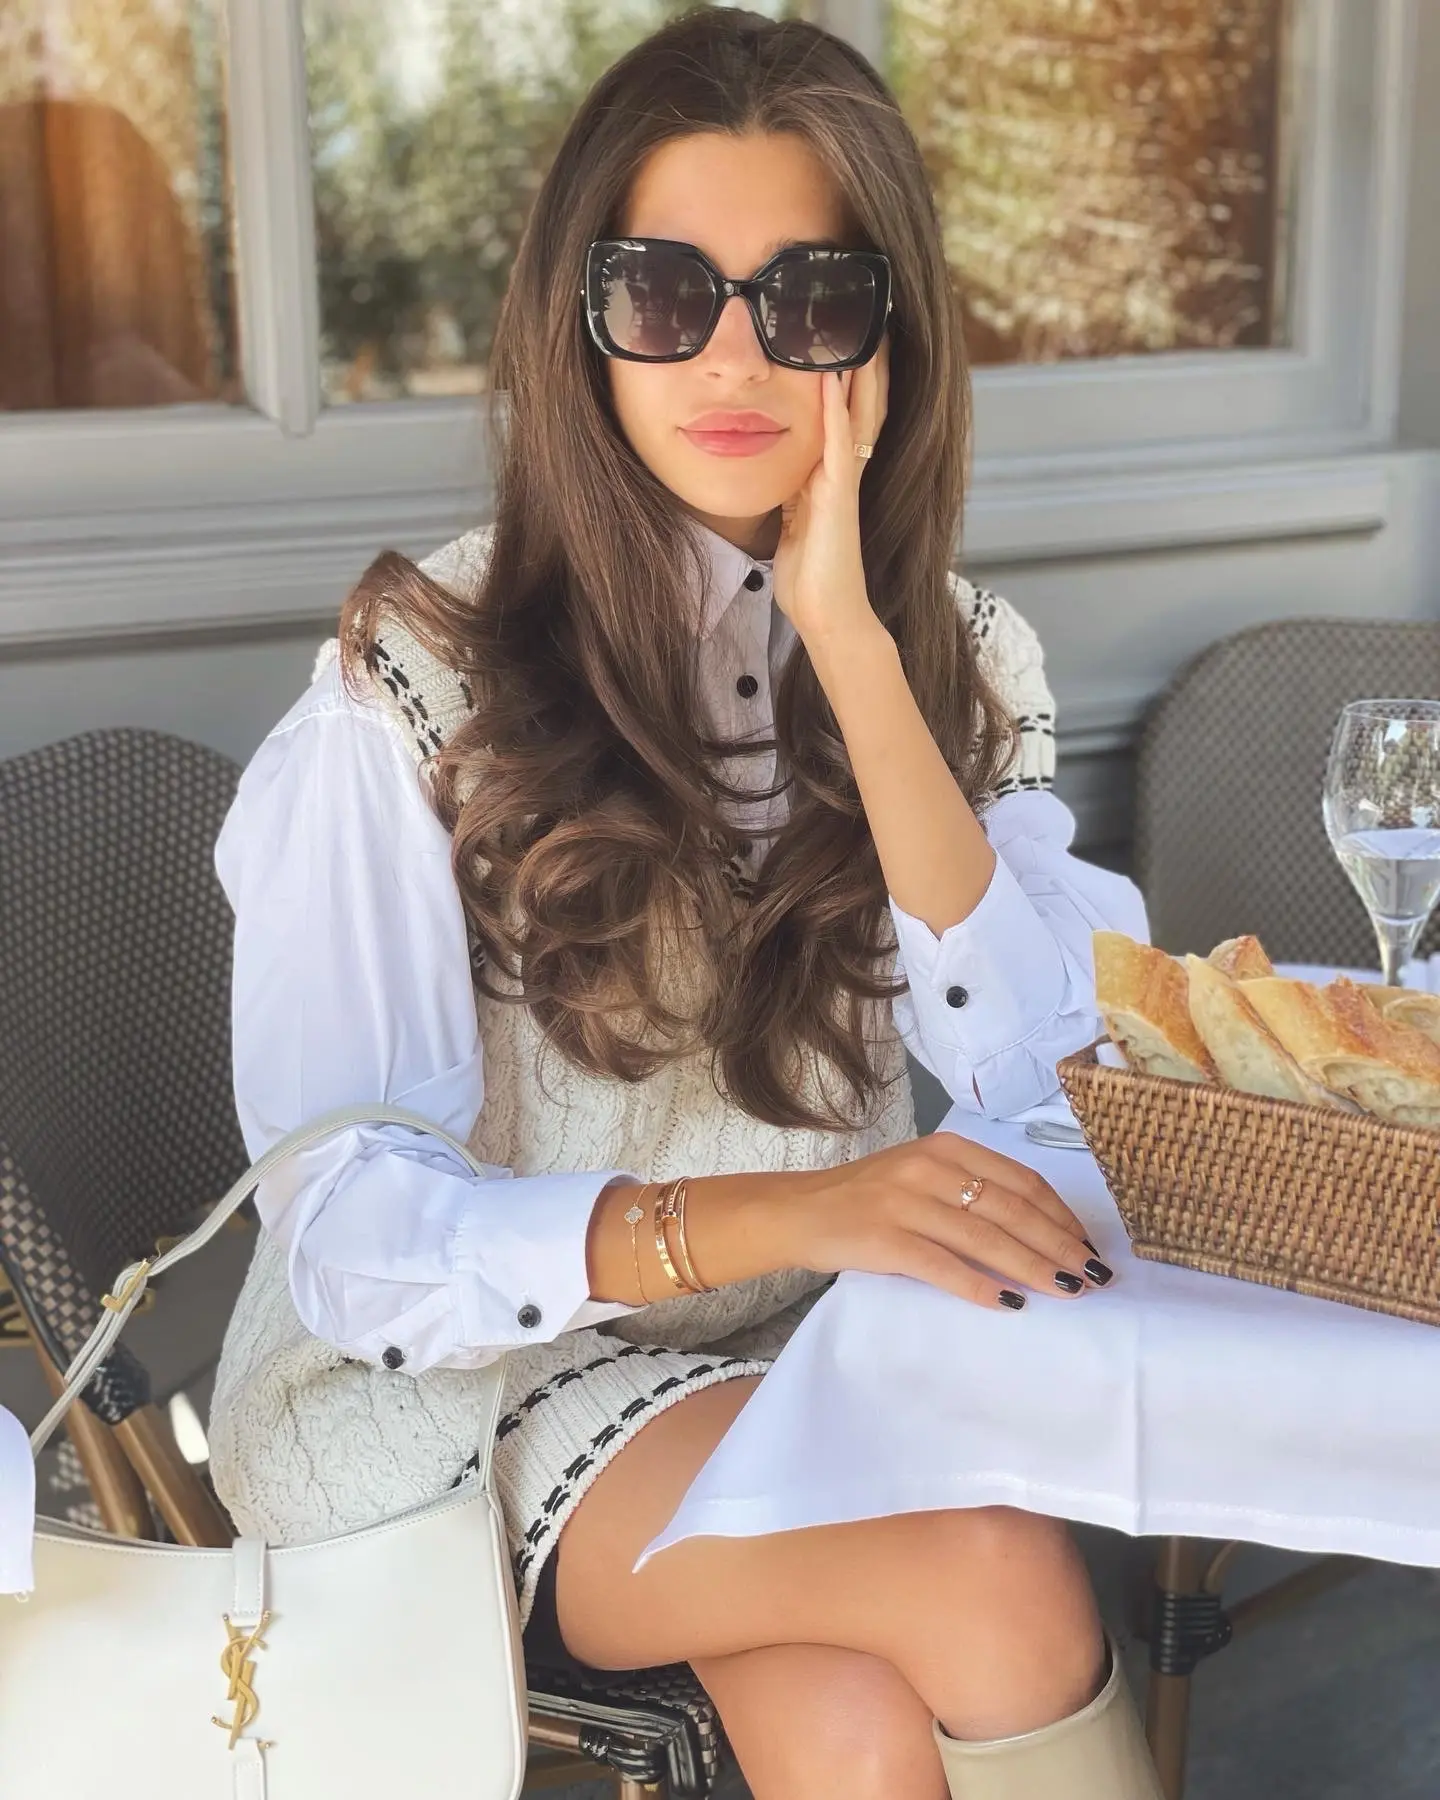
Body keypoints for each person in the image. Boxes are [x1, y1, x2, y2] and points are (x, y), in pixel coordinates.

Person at [207, 9, 1157, 1796]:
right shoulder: (410, 684)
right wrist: (796, 1214)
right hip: (454, 1389)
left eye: (809, 299)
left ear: (887, 337)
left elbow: (1051, 1071)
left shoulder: (955, 659)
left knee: (856, 1725)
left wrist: (854, 650)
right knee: (991, 1569)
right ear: (580, 322)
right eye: (663, 293)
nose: (733, 356)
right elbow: (351, 1233)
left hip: (782, 1347)